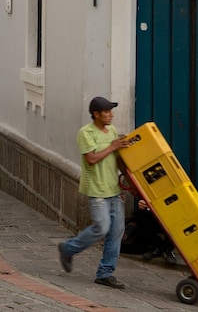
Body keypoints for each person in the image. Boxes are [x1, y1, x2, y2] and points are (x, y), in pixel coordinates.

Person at [57, 96, 130, 289]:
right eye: (106, 112)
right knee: (102, 228)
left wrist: (127, 174)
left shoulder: (112, 131)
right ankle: (68, 248)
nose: (111, 115)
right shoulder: (85, 133)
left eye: (111, 111)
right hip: (97, 190)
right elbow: (91, 159)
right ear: (96, 114)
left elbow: (116, 158)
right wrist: (113, 146)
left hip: (113, 189)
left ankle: (105, 272)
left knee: (116, 231)